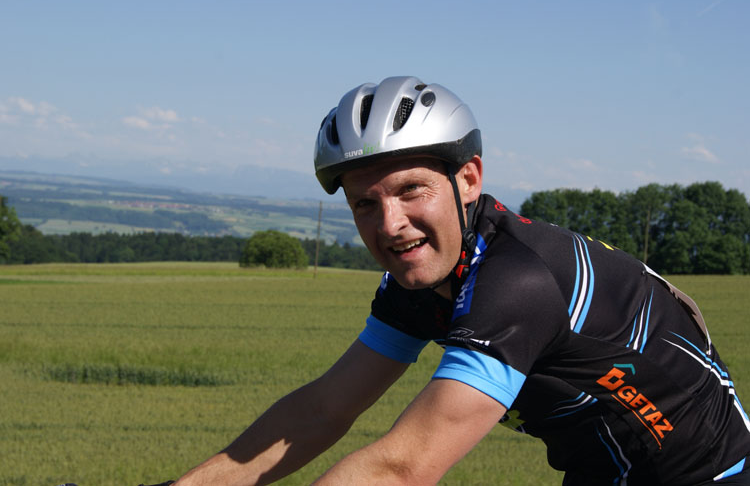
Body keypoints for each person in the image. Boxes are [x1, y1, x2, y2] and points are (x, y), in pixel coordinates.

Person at [147, 76, 750, 485]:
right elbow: (323, 410)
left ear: (468, 180)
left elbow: (403, 469)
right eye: (365, 204)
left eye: (411, 190)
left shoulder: (516, 283)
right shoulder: (424, 280)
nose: (390, 225)